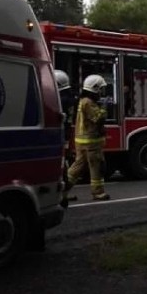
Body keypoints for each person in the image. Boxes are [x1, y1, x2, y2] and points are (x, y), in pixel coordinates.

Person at [65, 74, 111, 202]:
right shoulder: (88, 102)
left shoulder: (83, 101)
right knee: (96, 167)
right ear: (95, 88)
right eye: (101, 89)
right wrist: (105, 107)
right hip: (91, 142)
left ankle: (62, 191)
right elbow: (98, 118)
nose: (102, 92)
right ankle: (98, 193)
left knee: (76, 168)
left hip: (82, 141)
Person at [54, 70, 78, 206]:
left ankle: (63, 196)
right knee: (65, 164)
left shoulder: (60, 99)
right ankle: (64, 194)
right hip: (67, 134)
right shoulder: (71, 98)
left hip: (59, 134)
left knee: (62, 166)